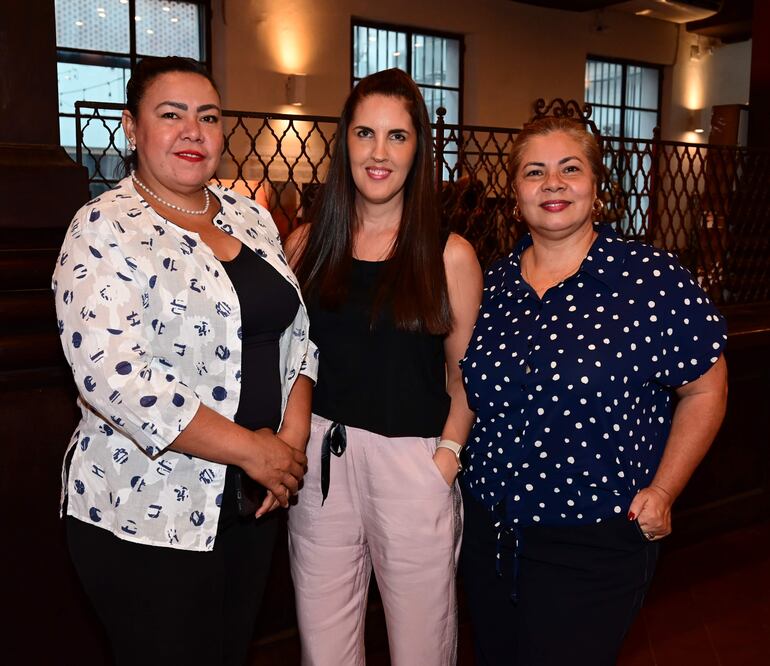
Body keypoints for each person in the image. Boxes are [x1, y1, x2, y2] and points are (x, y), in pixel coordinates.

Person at [52, 56, 316, 666]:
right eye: (170, 115)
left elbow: (298, 334)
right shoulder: (101, 228)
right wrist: (255, 451)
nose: (193, 132)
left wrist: (288, 445)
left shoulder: (249, 215)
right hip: (147, 510)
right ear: (131, 127)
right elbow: (117, 378)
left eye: (208, 116)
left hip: (253, 501)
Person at [459, 117, 728, 666]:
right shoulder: (494, 284)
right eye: (535, 172)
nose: (552, 184)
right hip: (489, 534)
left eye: (570, 169)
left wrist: (665, 490)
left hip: (593, 539)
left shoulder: (649, 278)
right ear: (515, 196)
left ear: (598, 188)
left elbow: (707, 388)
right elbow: (465, 388)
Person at [284, 68, 483, 666]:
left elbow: (465, 377)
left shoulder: (449, 255)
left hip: (412, 465)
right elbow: (292, 362)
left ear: (418, 148)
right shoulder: (305, 244)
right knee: (325, 648)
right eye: (365, 133)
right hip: (320, 462)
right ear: (344, 142)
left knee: (422, 649)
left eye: (397, 136)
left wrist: (443, 460)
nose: (379, 152)